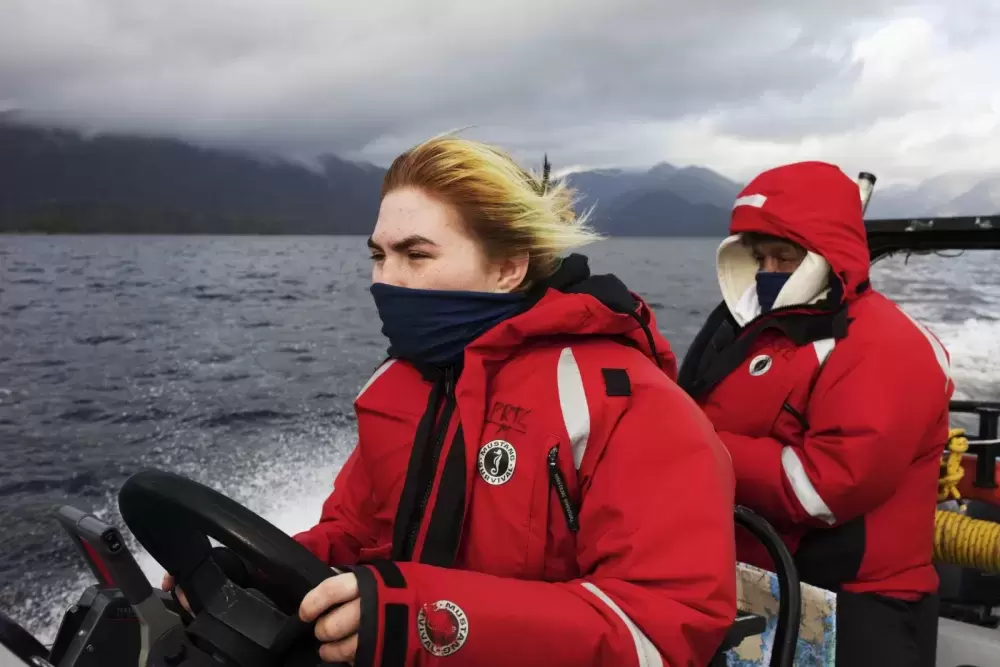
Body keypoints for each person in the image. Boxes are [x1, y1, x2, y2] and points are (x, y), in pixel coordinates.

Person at [168, 136, 738, 666]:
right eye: (378, 255)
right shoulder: (403, 385)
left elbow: (662, 630)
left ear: (508, 268)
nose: (386, 281)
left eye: (416, 255)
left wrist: (422, 621)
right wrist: (251, 571)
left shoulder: (625, 404)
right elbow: (351, 532)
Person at [677, 161, 953, 667]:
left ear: (826, 255)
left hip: (859, 608)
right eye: (759, 258)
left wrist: (694, 446)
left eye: (784, 258)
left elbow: (825, 487)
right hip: (759, 583)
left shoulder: (885, 347)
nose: (768, 273)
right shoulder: (761, 332)